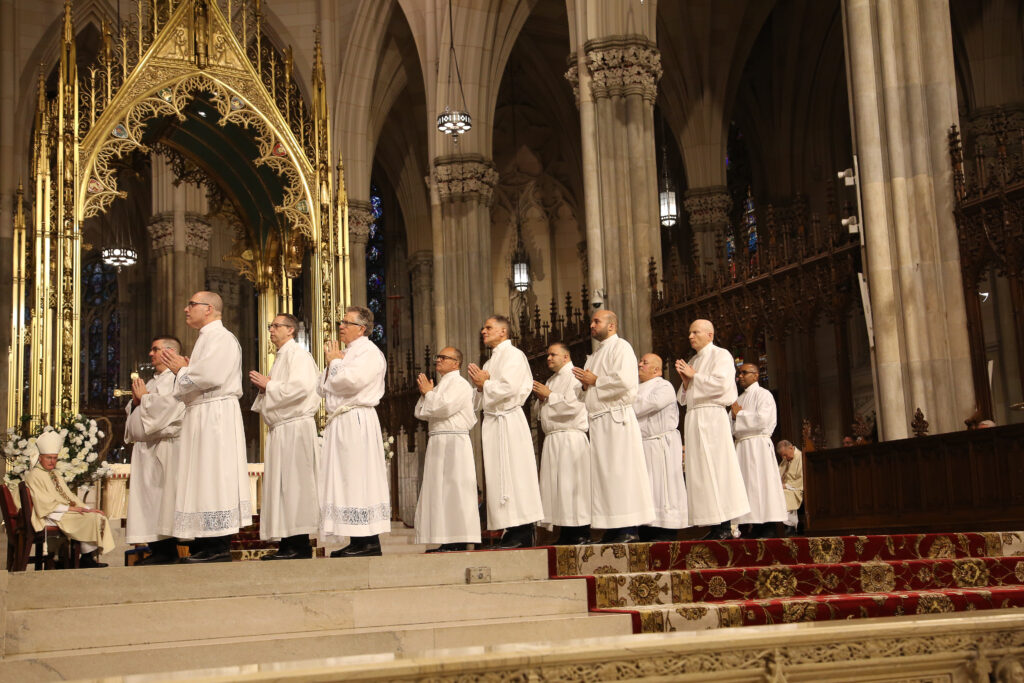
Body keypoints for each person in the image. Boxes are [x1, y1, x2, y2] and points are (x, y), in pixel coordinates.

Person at [160, 291, 252, 563]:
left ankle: (217, 546)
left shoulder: (221, 338)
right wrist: (185, 372)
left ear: (208, 308)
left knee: (214, 476)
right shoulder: (206, 338)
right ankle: (203, 540)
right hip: (201, 413)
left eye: (191, 305)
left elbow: (210, 376)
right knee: (200, 476)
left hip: (215, 416)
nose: (186, 309)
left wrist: (181, 371)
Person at [573, 310, 655, 544]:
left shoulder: (622, 348)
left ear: (611, 326)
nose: (591, 325)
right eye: (592, 321)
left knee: (622, 473)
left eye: (596, 321)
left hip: (616, 419)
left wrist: (595, 381)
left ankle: (628, 528)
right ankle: (611, 525)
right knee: (604, 476)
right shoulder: (595, 355)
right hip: (598, 420)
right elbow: (588, 390)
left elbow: (626, 383)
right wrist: (584, 386)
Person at [319, 305, 391, 557]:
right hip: (342, 420)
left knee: (358, 477)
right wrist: (334, 363)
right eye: (341, 321)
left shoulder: (369, 353)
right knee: (347, 479)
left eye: (347, 323)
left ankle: (368, 541)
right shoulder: (347, 352)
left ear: (362, 328)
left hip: (356, 419)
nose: (341, 326)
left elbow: (349, 383)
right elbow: (323, 385)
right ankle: (357, 538)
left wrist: (335, 363)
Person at [467, 315, 544, 548]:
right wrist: (481, 387)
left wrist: (485, 384)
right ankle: (510, 527)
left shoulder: (513, 355)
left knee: (515, 473)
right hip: (493, 422)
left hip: (509, 420)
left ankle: (522, 528)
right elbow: (480, 398)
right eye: (483, 327)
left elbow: (510, 389)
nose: (483, 331)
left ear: (503, 332)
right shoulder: (490, 362)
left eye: (489, 327)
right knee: (499, 475)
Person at [249, 313, 322, 560]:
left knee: (295, 486)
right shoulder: (281, 357)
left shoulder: (298, 355)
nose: (270, 330)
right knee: (281, 487)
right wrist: (266, 387)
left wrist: (269, 385)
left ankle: (298, 544)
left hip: (295, 429)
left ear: (290, 330)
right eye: (270, 326)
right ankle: (287, 541)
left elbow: (302, 388)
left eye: (276, 326)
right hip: (282, 430)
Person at [675, 319, 750, 540]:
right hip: (694, 416)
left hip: (712, 416)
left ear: (709, 335)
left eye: (695, 332)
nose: (690, 336)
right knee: (700, 471)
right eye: (689, 332)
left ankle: (726, 524)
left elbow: (723, 387)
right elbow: (682, 398)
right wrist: (687, 382)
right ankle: (714, 522)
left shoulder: (721, 355)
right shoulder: (693, 360)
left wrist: (694, 376)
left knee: (717, 467)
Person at [124, 336, 186, 565]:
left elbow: (172, 408)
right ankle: (158, 548)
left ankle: (167, 550)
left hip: (166, 448)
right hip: (146, 450)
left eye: (155, 349)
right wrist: (138, 402)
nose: (150, 354)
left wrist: (145, 400)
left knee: (163, 501)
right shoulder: (152, 381)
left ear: (169, 352)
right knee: (149, 502)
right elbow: (137, 409)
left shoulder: (177, 380)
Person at [413, 346, 480, 552]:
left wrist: (429, 394)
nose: (438, 360)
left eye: (444, 357)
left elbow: (445, 408)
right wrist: (428, 394)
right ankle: (446, 538)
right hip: (438, 441)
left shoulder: (460, 384)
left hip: (454, 443)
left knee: (455, 490)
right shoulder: (441, 385)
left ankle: (459, 540)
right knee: (439, 492)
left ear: (456, 363)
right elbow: (421, 413)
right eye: (438, 357)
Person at [24, 430, 114, 568]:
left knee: (94, 516)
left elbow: (69, 496)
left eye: (55, 458)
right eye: (49, 458)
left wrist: (88, 509)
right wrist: (71, 509)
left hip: (61, 511)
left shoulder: (54, 473)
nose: (52, 461)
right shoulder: (34, 475)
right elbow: (43, 503)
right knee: (89, 519)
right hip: (49, 514)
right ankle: (85, 559)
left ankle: (85, 557)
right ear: (40, 457)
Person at [532, 342, 591, 545]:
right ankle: (565, 530)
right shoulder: (551, 379)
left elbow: (575, 406)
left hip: (570, 437)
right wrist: (542, 400)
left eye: (553, 355)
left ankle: (580, 531)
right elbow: (539, 414)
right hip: (553, 438)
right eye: (547, 355)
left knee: (573, 485)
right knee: (557, 488)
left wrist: (549, 396)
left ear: (566, 357)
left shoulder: (576, 375)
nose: (548, 358)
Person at [634, 353, 688, 542]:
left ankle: (666, 530)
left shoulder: (664, 386)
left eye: (644, 362)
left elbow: (647, 405)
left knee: (663, 487)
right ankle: (646, 528)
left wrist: (626, 404)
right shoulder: (636, 388)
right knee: (646, 488)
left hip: (660, 445)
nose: (639, 364)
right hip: (642, 444)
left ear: (656, 370)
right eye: (640, 361)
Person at [730, 363, 787, 538]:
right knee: (746, 486)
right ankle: (750, 524)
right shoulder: (738, 399)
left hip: (758, 447)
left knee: (762, 485)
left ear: (755, 375)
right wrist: (735, 417)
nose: (740, 376)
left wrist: (739, 416)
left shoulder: (764, 395)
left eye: (744, 373)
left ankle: (767, 526)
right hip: (742, 446)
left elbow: (763, 420)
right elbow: (731, 426)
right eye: (739, 373)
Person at [777, 440, 804, 535]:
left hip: (796, 489)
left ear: (791, 448)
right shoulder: (786, 459)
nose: (784, 458)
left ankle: (790, 526)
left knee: (784, 495)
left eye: (785, 455)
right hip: (784, 487)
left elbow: (801, 478)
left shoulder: (801, 457)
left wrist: (786, 486)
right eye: (782, 456)